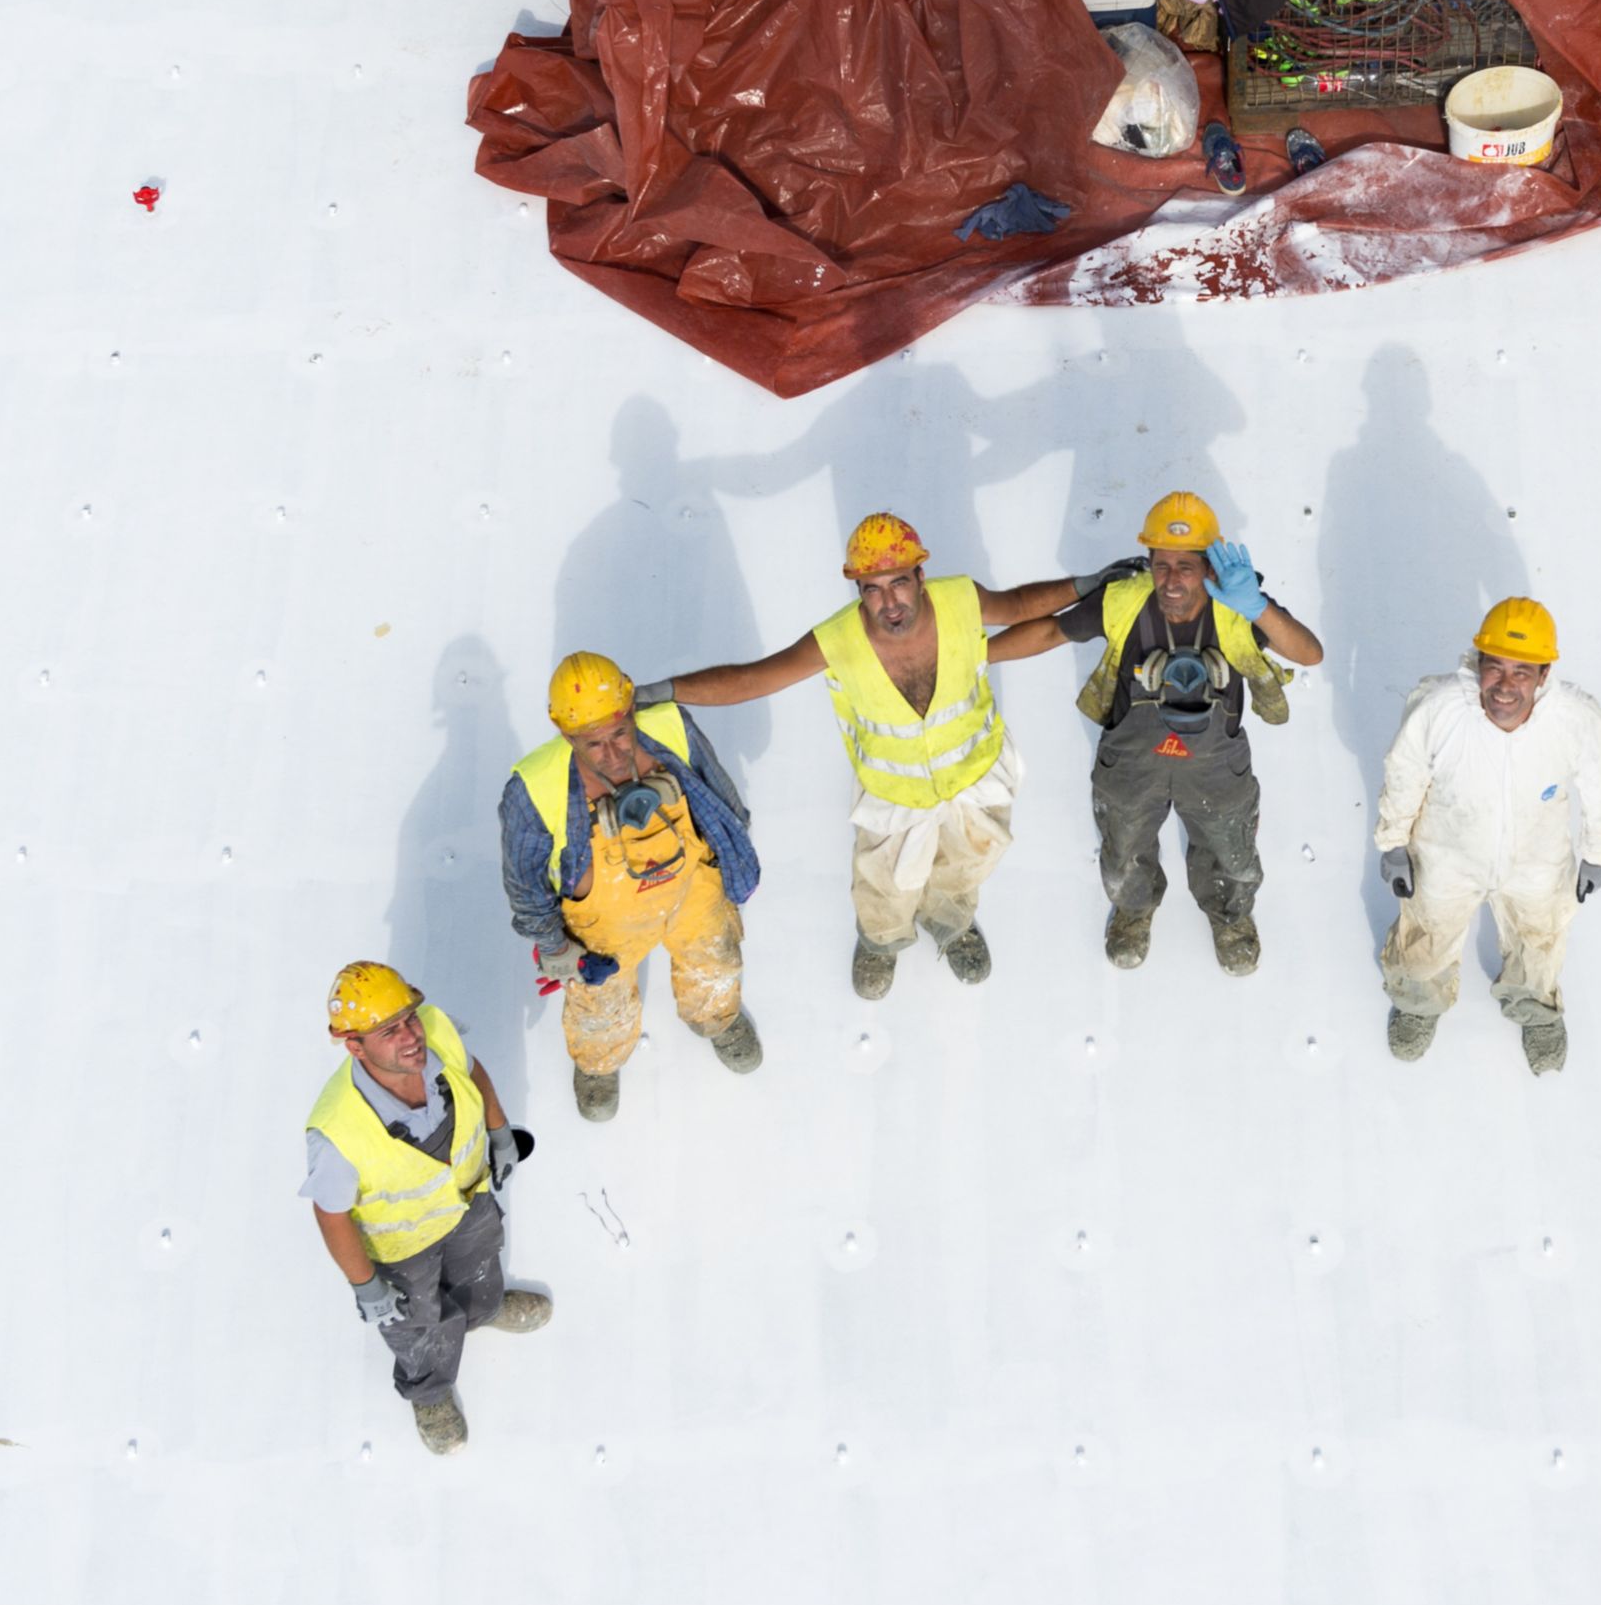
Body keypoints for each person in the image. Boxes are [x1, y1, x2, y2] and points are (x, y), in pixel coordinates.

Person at [661, 514, 1087, 997]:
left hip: (976, 777)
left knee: (967, 863)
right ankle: (881, 941)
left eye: (899, 583)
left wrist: (1086, 585)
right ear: (858, 590)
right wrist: (670, 690)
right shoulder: (837, 641)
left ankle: (950, 920)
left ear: (921, 577)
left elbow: (1018, 606)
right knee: (884, 885)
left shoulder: (960, 600)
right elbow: (752, 679)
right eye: (872, 589)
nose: (889, 603)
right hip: (894, 797)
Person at [983, 490, 1323, 973]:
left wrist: (1257, 608)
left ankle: (1230, 917)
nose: (1172, 580)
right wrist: (975, 656)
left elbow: (1309, 654)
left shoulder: (1237, 604)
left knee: (1231, 848)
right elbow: (1050, 631)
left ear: (1209, 566)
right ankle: (1133, 909)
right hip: (1132, 759)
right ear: (1147, 561)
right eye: (1161, 564)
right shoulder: (1124, 600)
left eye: (1186, 566)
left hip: (1215, 766)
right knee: (1123, 845)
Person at [498, 652, 764, 1122]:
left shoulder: (669, 726)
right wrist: (557, 948)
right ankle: (600, 1062)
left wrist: (734, 855)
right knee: (600, 1003)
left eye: (620, 732)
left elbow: (720, 791)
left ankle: (715, 1018)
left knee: (715, 959)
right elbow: (525, 884)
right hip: (604, 925)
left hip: (691, 890)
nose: (614, 752)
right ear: (565, 733)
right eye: (593, 744)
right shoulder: (533, 787)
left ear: (629, 709)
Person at [1370, 596, 1601, 1072]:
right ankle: (1418, 1003)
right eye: (1496, 668)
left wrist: (1599, 852)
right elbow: (1404, 774)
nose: (1505, 686)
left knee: (1539, 938)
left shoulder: (1575, 721)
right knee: (1426, 934)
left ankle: (1534, 1008)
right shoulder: (1441, 709)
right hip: (1447, 852)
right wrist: (1393, 843)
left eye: (1522, 672)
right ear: (1479, 663)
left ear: (1544, 675)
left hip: (1537, 859)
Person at [303, 960, 552, 1453]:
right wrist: (366, 1286)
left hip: (467, 1202)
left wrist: (498, 1131)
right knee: (415, 1320)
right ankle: (430, 1392)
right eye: (388, 1031)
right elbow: (330, 1214)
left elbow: (470, 1066)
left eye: (409, 1019)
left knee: (481, 1267)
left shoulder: (435, 1033)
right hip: (402, 1247)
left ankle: (483, 1309)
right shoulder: (338, 1130)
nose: (411, 1036)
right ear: (355, 1045)